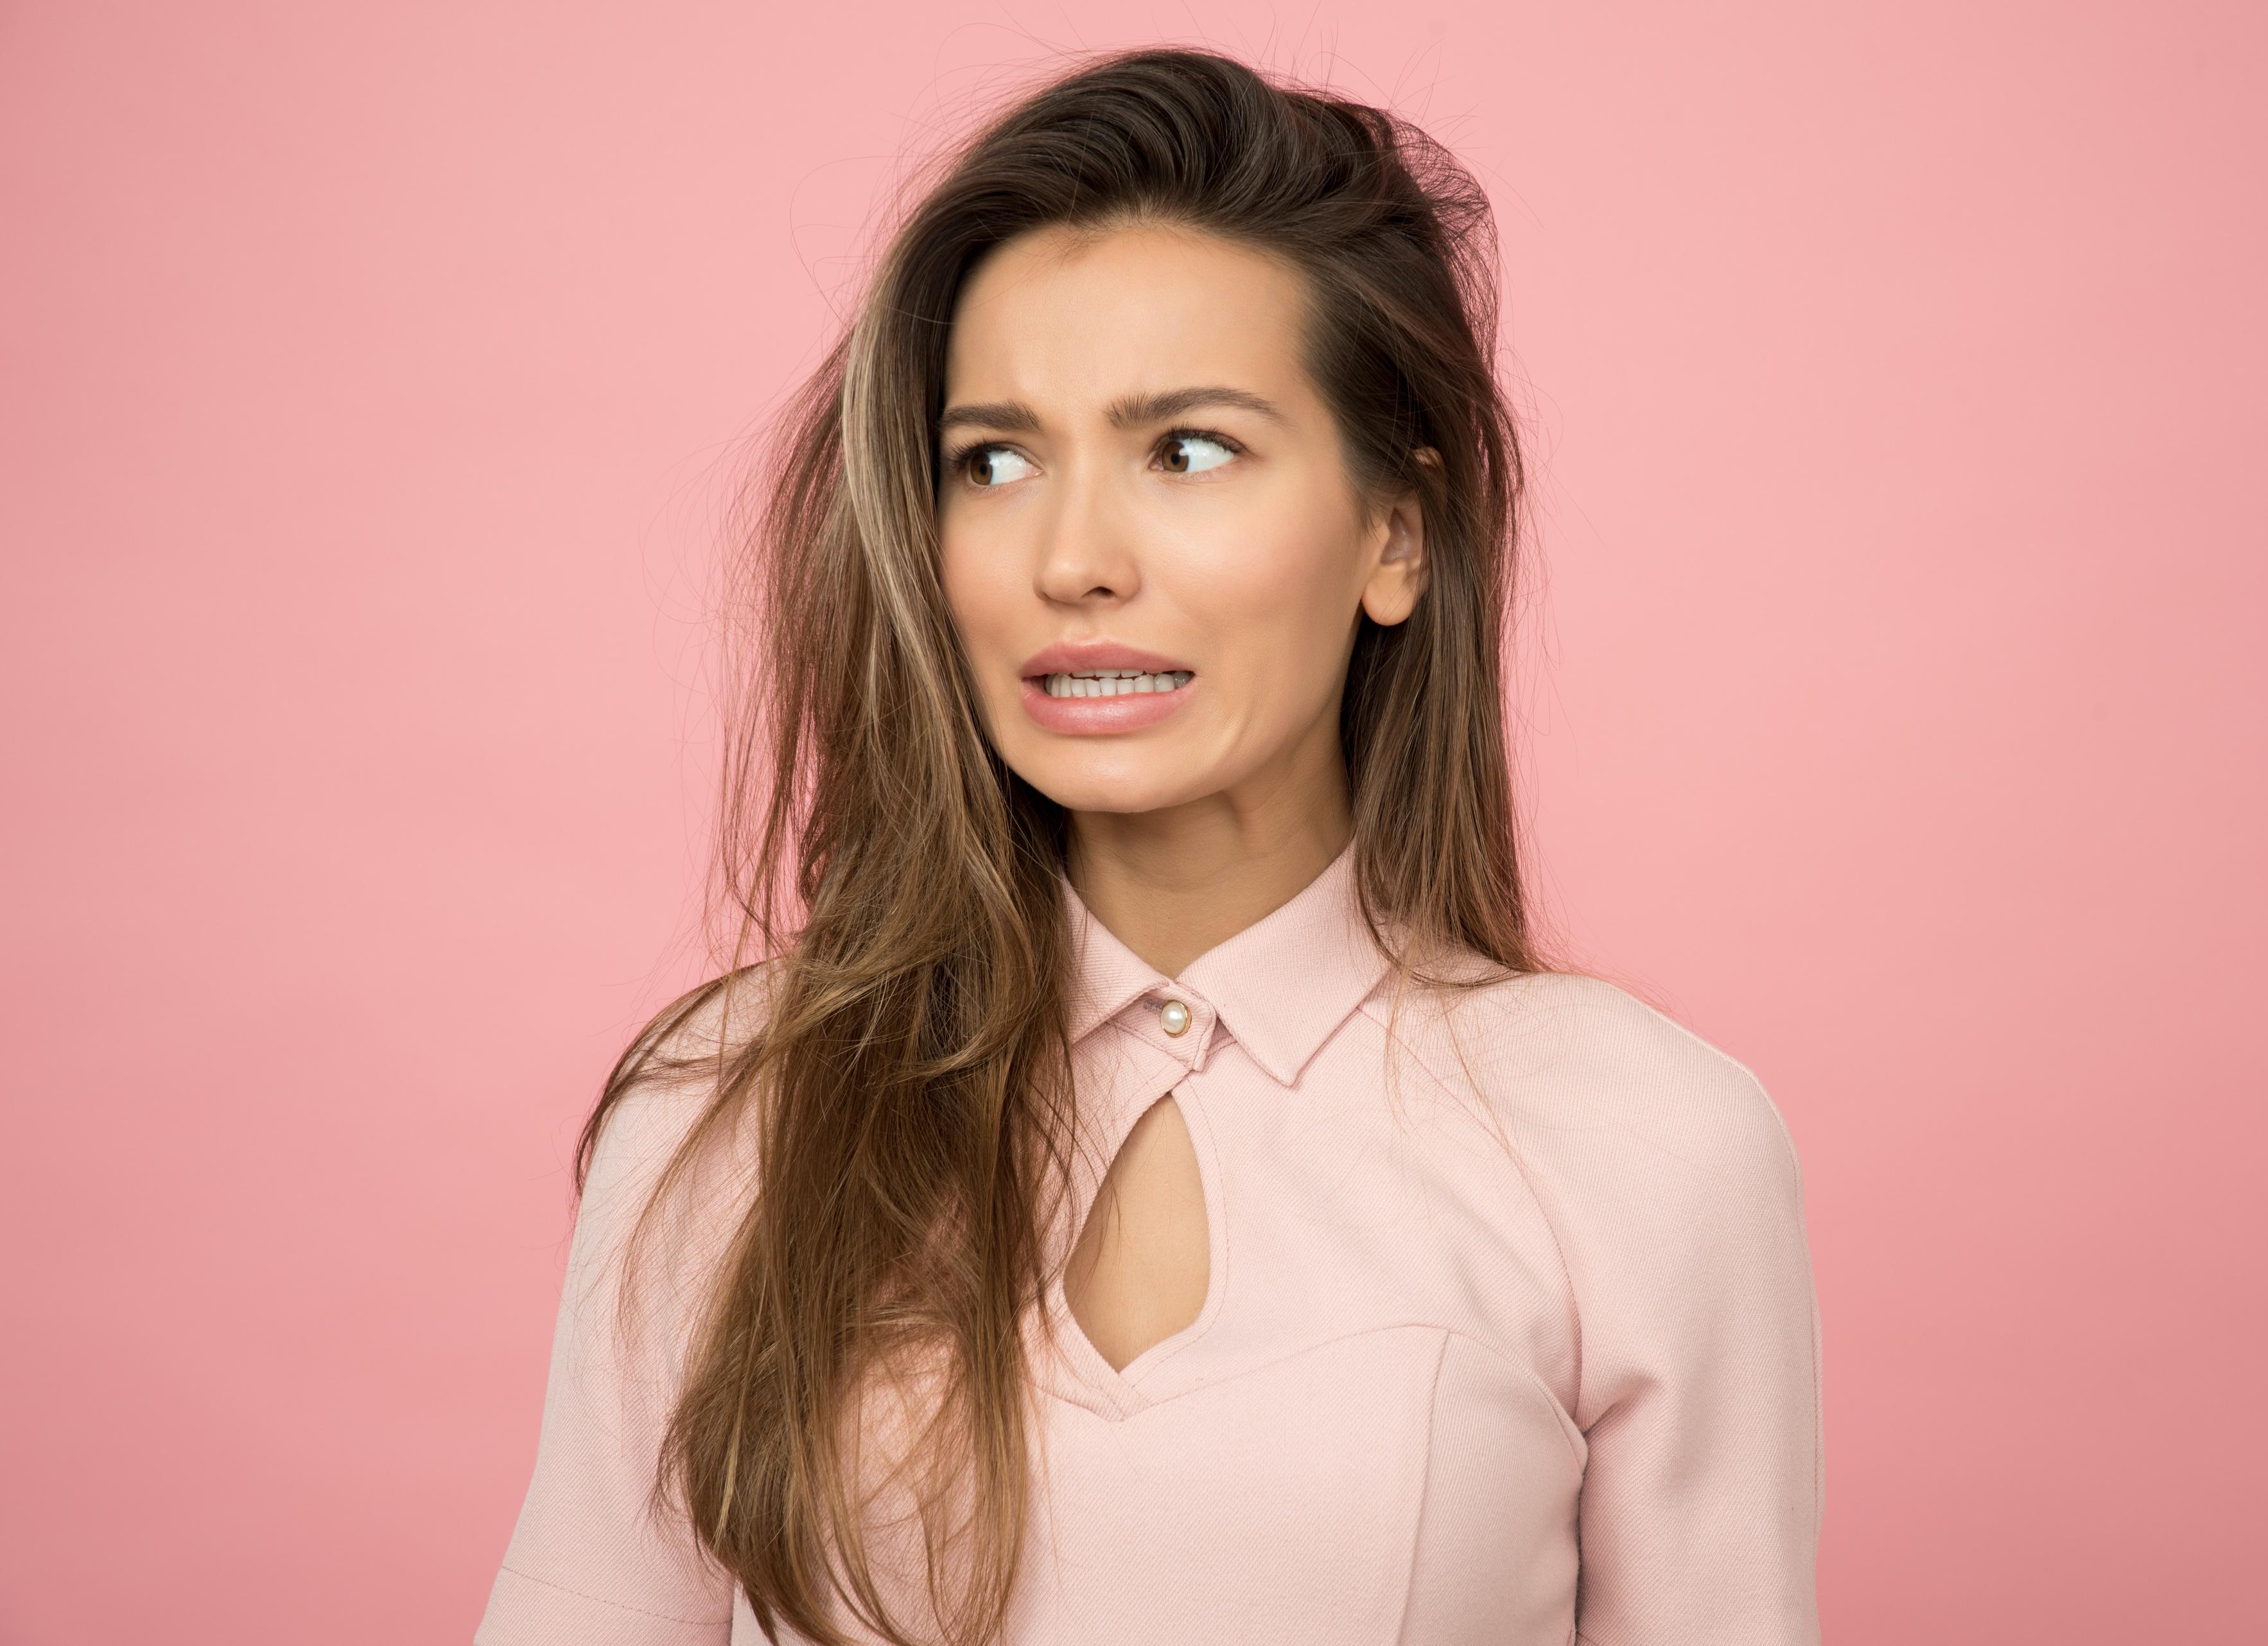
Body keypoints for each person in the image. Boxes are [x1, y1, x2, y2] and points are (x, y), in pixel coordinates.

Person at [475, 44, 1822, 1646]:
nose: (1072, 557)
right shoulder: (732, 1118)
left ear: (1397, 532)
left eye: (1184, 450)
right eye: (996, 458)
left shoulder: (1648, 1143)